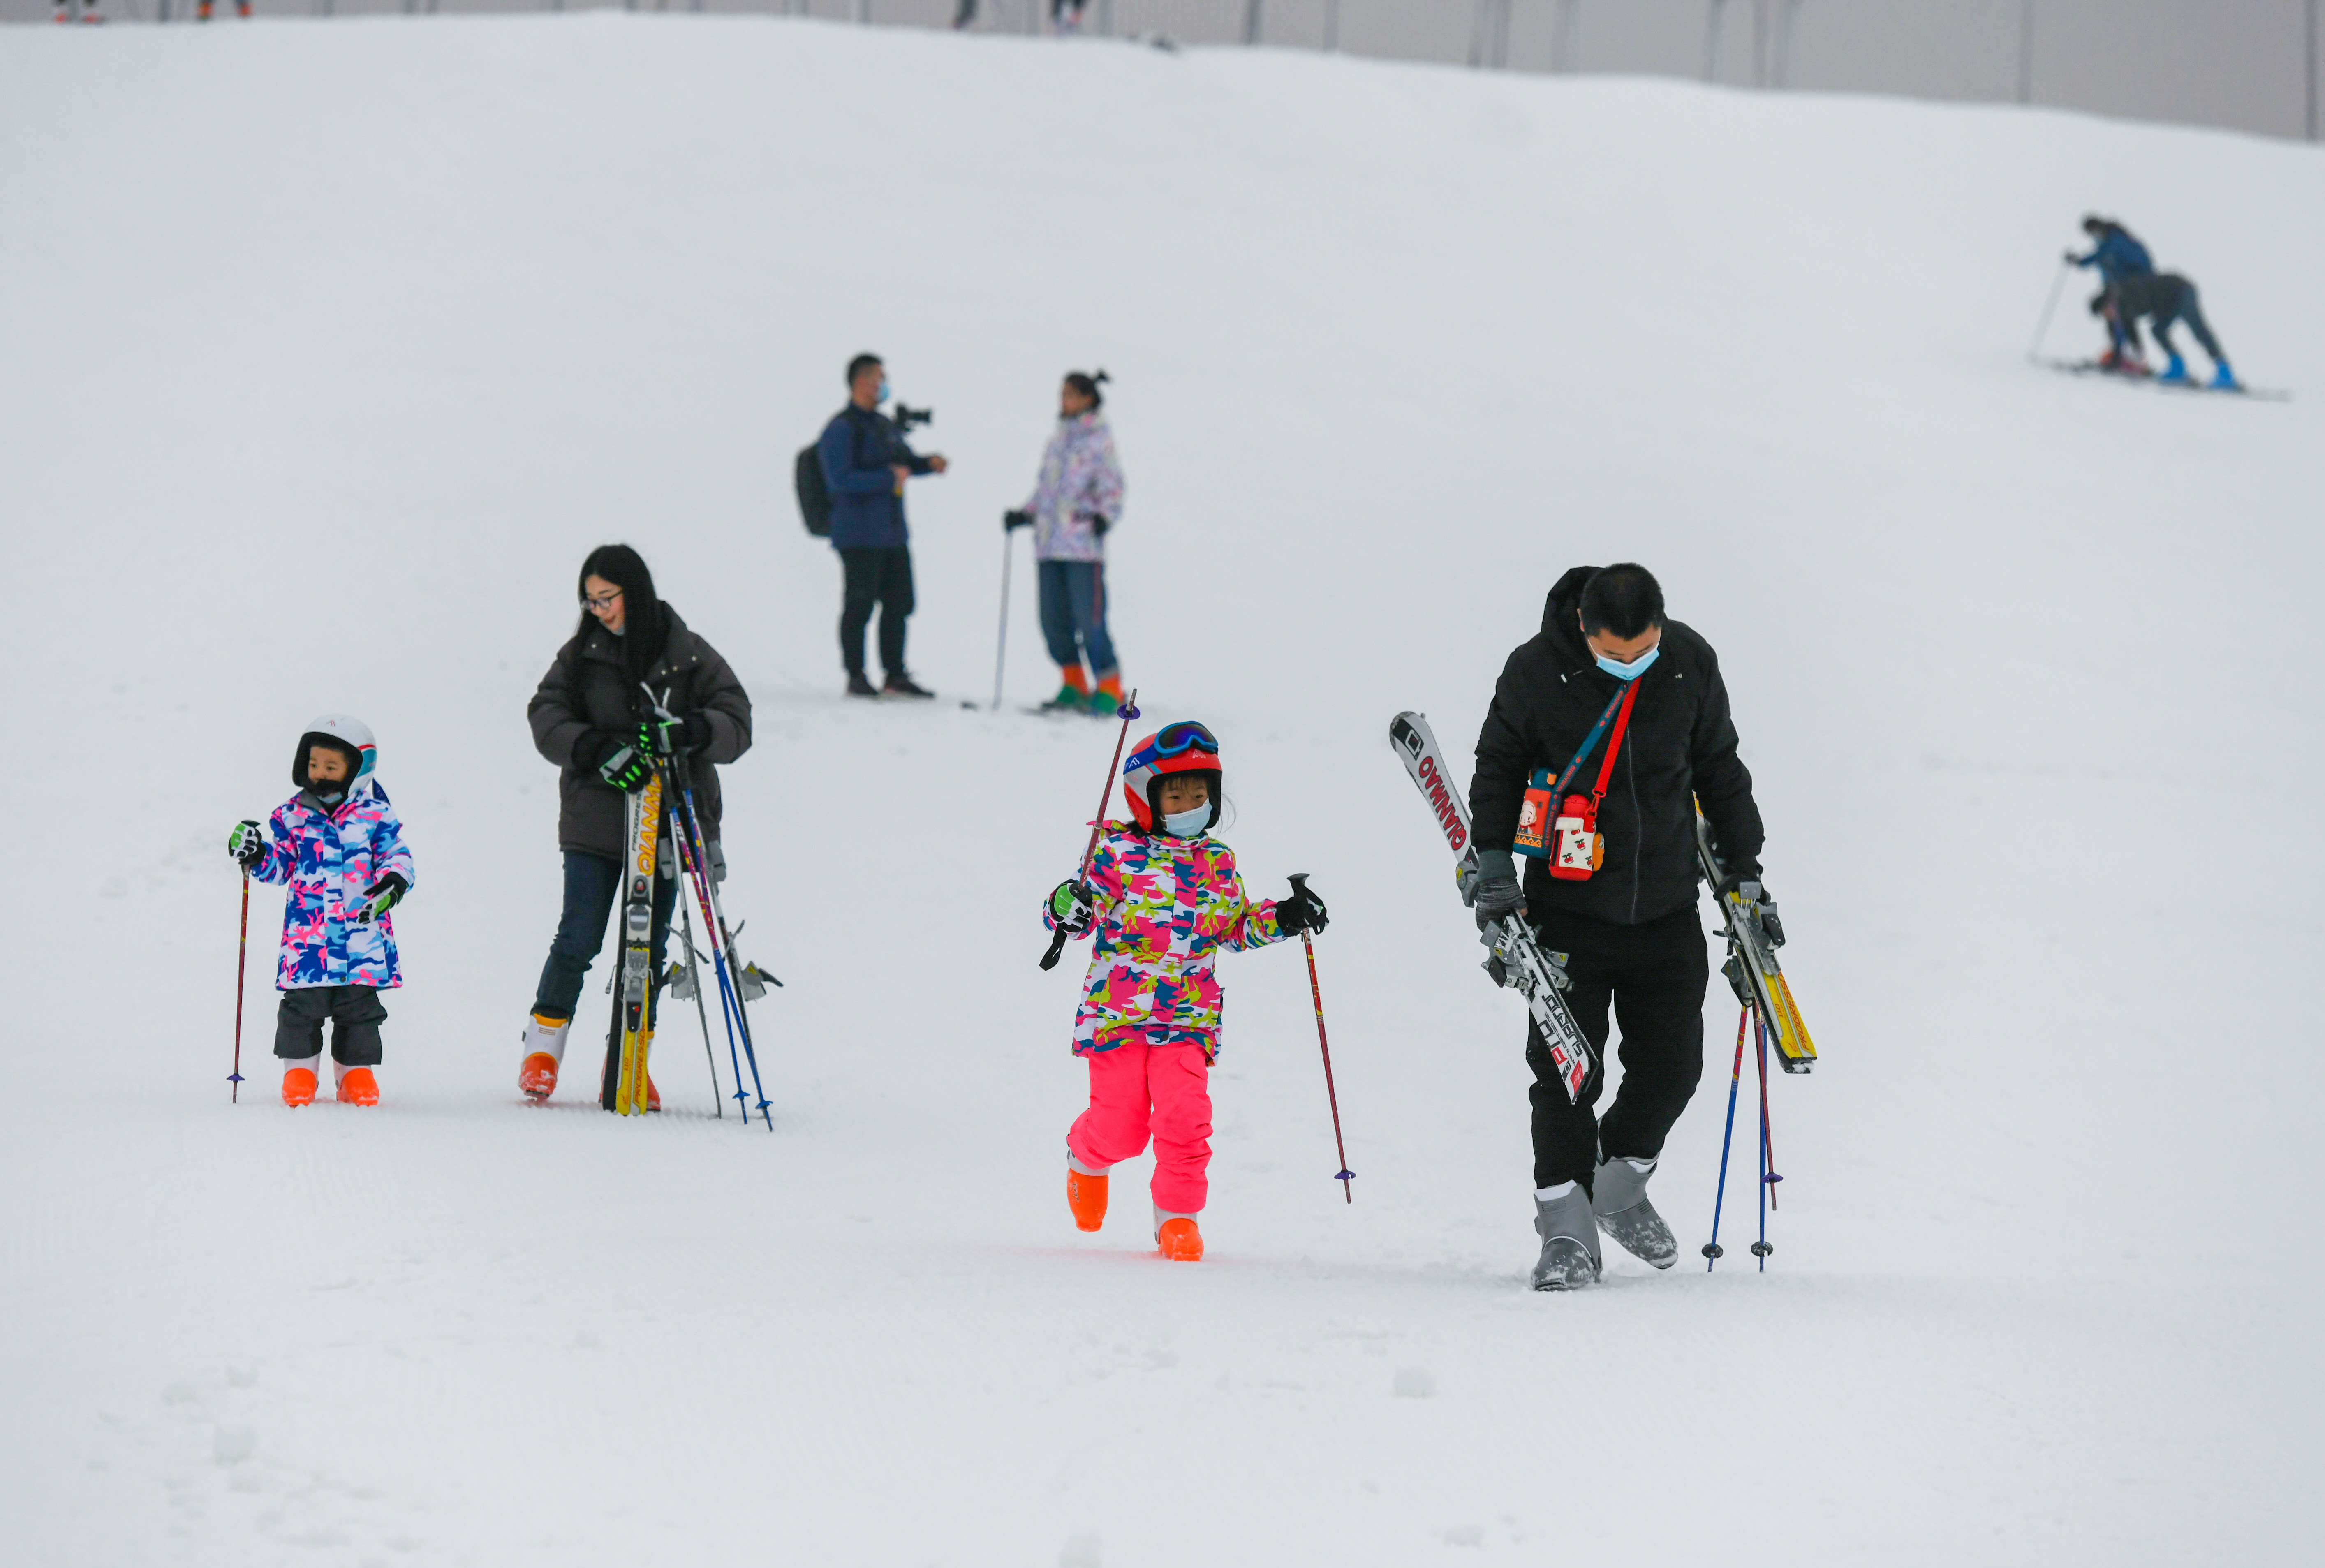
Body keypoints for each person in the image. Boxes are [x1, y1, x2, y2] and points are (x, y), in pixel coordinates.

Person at [1463, 564, 1772, 1290]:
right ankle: (1566, 1227)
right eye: (1614, 651)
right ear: (1583, 628)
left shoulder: (1689, 662)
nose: (1630, 663)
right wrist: (1496, 861)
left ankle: (1622, 1180)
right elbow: (1499, 767)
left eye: (1643, 650)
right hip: (1565, 911)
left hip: (1666, 905)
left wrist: (1745, 866)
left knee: (1674, 1067)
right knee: (1569, 1071)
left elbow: (1719, 765)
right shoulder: (1536, 671)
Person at [1042, 722, 1329, 1262]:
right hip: (1118, 1018)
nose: (1189, 804)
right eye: (1175, 794)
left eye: (1200, 793)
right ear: (1145, 797)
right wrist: (1067, 904)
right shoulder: (1115, 854)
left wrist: (1286, 917)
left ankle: (1177, 1218)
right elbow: (1073, 916)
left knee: (1184, 1117)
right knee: (1121, 1129)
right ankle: (1085, 1155)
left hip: (1186, 1018)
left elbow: (1234, 927)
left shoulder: (1217, 862)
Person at [522, 545, 752, 1106]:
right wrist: (595, 747)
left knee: (646, 943)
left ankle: (630, 1055)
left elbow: (737, 722)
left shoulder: (688, 655)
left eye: (608, 597)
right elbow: (545, 714)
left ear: (636, 592)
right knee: (579, 933)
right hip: (594, 819)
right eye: (590, 600)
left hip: (670, 818)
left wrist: (691, 730)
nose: (599, 610)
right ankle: (542, 1047)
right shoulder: (580, 655)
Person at [227, 716, 415, 1109]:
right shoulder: (293, 817)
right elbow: (281, 867)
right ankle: (299, 1072)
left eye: (332, 767)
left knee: (359, 1010)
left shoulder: (376, 816)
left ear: (359, 769)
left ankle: (355, 1074)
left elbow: (396, 856)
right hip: (308, 941)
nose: (320, 774)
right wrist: (257, 854)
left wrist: (392, 883)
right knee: (301, 1009)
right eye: (314, 765)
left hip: (360, 938)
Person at [817, 353, 949, 700]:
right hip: (858, 535)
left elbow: (902, 460)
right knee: (859, 604)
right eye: (879, 377)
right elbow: (840, 480)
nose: (883, 384)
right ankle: (856, 675)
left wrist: (926, 464)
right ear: (861, 381)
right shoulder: (841, 429)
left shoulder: (882, 425)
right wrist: (886, 478)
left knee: (899, 603)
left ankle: (895, 674)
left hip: (891, 533)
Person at [1004, 370, 1127, 715]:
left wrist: (1104, 517)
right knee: (1052, 620)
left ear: (1088, 398)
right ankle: (1073, 681)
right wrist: (1025, 514)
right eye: (1062, 394)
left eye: (1071, 394)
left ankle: (1109, 684)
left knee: (1090, 619)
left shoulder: (1099, 441)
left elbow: (1113, 487)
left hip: (1082, 546)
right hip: (1048, 544)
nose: (1064, 400)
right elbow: (1046, 491)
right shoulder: (1056, 442)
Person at [2114, 271, 2238, 389]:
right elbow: (2131, 330)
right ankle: (2178, 367)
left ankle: (2224, 371)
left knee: (2198, 330)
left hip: (2180, 292)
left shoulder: (2128, 297)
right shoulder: (2125, 305)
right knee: (2159, 331)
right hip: (2173, 297)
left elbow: (2151, 298)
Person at [2067, 216, 2154, 371]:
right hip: (2121, 284)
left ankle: (2126, 357)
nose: (2092, 236)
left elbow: (2100, 256)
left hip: (2131, 284)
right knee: (2114, 315)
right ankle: (2122, 354)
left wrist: (2078, 261)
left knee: (2119, 315)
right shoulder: (2110, 240)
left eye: (2092, 232)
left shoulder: (2115, 240)